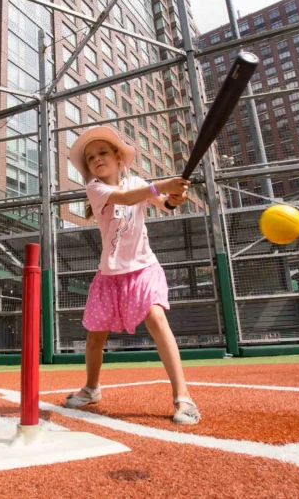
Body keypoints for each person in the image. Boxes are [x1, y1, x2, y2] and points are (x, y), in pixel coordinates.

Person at [63, 126, 200, 425]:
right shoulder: (96, 189)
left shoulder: (137, 181)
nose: (96, 159)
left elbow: (164, 204)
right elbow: (127, 198)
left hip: (143, 269)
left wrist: (174, 198)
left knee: (157, 319)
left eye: (102, 153)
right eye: (90, 157)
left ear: (118, 158)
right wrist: (164, 184)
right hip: (109, 276)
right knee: (94, 340)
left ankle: (183, 397)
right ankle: (91, 388)